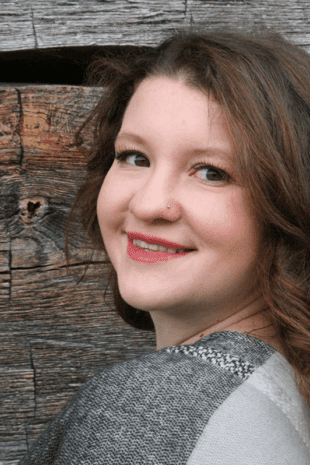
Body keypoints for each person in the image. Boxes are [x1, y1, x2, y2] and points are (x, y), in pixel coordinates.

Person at [20, 23, 310, 464]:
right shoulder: (286, 390)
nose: (149, 203)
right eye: (135, 158)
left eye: (211, 171)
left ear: (289, 206)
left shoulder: (149, 408)